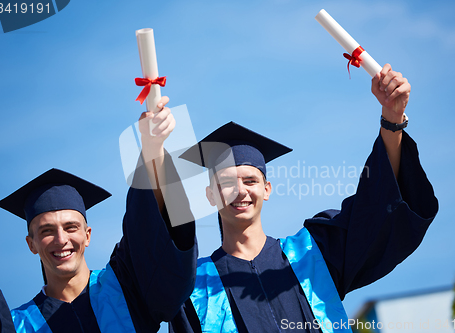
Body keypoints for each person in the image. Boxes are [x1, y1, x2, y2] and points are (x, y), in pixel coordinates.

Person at [170, 64, 439, 332]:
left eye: (251, 180)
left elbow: (375, 207)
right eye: (227, 183)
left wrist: (392, 121)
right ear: (210, 195)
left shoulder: (313, 254)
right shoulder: (196, 291)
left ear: (267, 189)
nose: (241, 191)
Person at [0, 97, 197, 333]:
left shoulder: (125, 285)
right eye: (47, 231)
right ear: (31, 244)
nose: (61, 239)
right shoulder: (18, 326)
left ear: (87, 235)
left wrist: (152, 149)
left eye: (71, 227)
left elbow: (149, 228)